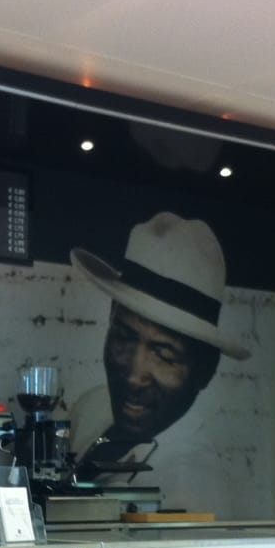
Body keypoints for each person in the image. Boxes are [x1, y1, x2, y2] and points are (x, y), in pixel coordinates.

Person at [68, 211, 251, 515]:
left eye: (164, 355)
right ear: (110, 318)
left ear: (205, 370)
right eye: (124, 337)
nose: (134, 376)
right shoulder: (89, 408)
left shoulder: (191, 487)